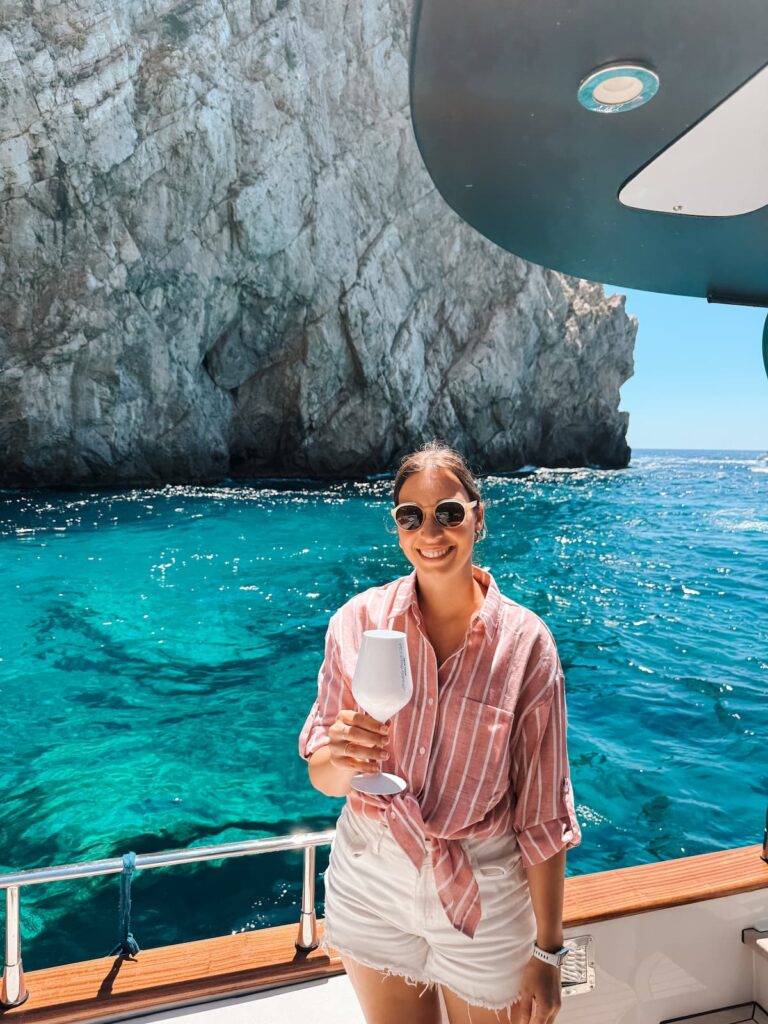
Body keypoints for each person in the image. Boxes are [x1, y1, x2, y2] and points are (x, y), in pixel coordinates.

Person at [298, 440, 582, 1024]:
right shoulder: (358, 622)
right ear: (398, 528)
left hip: (485, 886)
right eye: (412, 516)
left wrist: (547, 951)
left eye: (449, 512)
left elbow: (542, 815)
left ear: (478, 516)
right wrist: (343, 756)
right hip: (371, 876)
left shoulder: (526, 645)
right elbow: (323, 778)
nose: (432, 530)